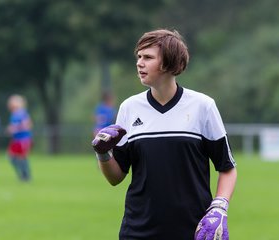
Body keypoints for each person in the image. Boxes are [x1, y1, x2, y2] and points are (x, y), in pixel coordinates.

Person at [92, 29, 237, 240]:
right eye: (139, 57)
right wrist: (103, 154)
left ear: (169, 63)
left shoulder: (202, 106)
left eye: (148, 57)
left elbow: (227, 167)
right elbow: (116, 177)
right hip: (138, 231)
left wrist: (219, 207)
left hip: (193, 230)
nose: (139, 63)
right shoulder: (129, 108)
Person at [6, 94, 33, 182]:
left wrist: (16, 129)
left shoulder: (22, 113)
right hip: (16, 139)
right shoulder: (14, 114)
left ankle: (26, 175)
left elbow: (28, 125)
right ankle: (22, 174)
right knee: (12, 157)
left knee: (22, 157)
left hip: (23, 139)